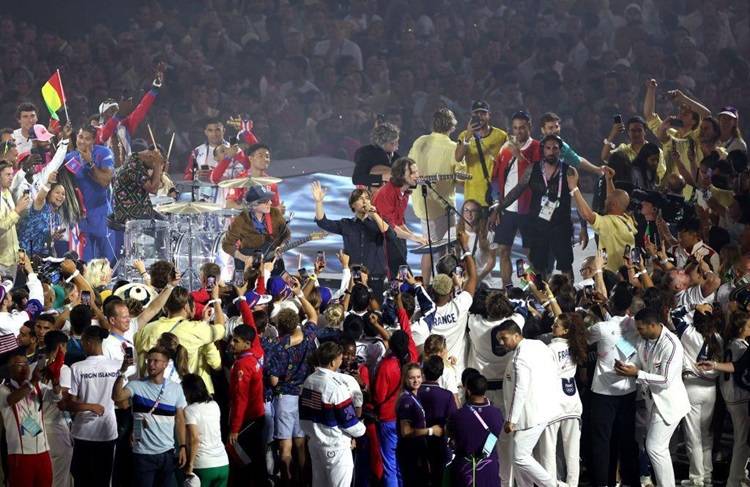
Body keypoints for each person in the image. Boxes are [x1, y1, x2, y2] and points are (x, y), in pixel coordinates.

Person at [615, 307, 691, 487]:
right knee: (657, 449)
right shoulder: (644, 339)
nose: (638, 331)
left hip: (669, 404)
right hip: (652, 402)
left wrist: (637, 373)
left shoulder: (671, 344)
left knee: (655, 448)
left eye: (640, 328)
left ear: (653, 325)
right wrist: (627, 366)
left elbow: (665, 380)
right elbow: (638, 360)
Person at [493, 134, 576, 278]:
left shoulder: (569, 171)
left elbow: (578, 198)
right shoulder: (533, 169)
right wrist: (498, 208)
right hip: (538, 225)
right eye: (548, 148)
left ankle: (570, 293)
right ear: (543, 149)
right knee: (538, 266)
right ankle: (542, 291)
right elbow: (517, 191)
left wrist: (583, 227)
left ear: (560, 150)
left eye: (555, 148)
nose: (551, 151)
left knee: (566, 265)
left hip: (561, 226)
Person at [266, 281, 319, 486]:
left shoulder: (279, 348)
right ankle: (303, 481)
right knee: (301, 444)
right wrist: (300, 294)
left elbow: (273, 380)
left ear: (280, 327)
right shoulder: (309, 337)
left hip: (286, 398)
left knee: (285, 448)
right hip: (305, 396)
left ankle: (287, 482)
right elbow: (313, 315)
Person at [112, 346, 188, 487]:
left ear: (165, 364)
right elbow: (117, 397)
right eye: (149, 360)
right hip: (143, 454)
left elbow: (180, 419)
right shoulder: (136, 385)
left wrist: (183, 446)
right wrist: (122, 372)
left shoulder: (176, 388)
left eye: (156, 361)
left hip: (167, 453)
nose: (151, 364)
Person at [497, 320, 559, 487]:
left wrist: (511, 419)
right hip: (546, 408)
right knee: (519, 458)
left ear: (516, 335)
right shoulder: (538, 345)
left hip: (530, 414)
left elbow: (521, 389)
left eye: (504, 338)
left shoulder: (520, 357)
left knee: (520, 457)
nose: (502, 343)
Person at [134, 286, 225, 395]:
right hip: (189, 395)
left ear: (165, 307)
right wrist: (216, 300)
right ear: (186, 306)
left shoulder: (147, 329)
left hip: (151, 394)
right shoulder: (196, 329)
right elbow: (221, 328)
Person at [300, 341, 365, 487]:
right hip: (336, 448)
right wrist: (361, 429)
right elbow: (349, 422)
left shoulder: (309, 381)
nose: (341, 360)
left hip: (315, 444)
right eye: (340, 358)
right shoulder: (336, 387)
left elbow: (305, 416)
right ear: (332, 362)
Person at [409, 108, 463, 281]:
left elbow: (409, 166)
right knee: (438, 249)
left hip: (421, 202)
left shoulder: (420, 141)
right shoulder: (453, 148)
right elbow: (461, 178)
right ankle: (438, 286)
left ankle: (431, 285)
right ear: (452, 126)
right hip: (441, 206)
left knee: (432, 246)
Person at [489, 110, 541, 287]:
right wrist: (497, 205)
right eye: (515, 128)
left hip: (529, 210)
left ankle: (533, 289)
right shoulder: (505, 149)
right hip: (507, 209)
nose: (518, 131)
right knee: (503, 250)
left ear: (530, 127)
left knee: (530, 253)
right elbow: (495, 179)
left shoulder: (537, 147)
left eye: (522, 128)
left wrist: (519, 155)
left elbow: (536, 174)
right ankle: (507, 289)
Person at [313, 182, 392, 297]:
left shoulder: (378, 222)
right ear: (353, 205)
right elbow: (322, 222)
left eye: (367, 198)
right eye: (360, 199)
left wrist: (374, 214)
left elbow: (389, 234)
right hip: (353, 277)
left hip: (375, 277)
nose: (365, 201)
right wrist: (318, 202)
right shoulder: (346, 224)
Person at [66, 326, 121, 487]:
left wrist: (88, 406)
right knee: (103, 480)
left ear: (89, 342)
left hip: (83, 432)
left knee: (82, 480)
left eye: (82, 341)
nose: (81, 345)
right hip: (107, 432)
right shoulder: (117, 366)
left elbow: (71, 404)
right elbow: (122, 400)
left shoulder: (77, 368)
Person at [537, 313, 588, 487]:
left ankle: (550, 484)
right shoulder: (575, 346)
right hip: (573, 402)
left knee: (548, 450)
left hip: (553, 403)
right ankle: (573, 484)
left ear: (565, 330)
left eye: (556, 325)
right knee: (573, 451)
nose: (552, 327)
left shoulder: (549, 349)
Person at [675, 304, 722, 487]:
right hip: (710, 390)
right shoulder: (718, 337)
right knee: (706, 434)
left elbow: (674, 314)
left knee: (693, 435)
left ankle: (696, 478)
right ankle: (707, 474)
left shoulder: (689, 333)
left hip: (692, 388)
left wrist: (694, 305)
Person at [424, 231, 478, 375]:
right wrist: (465, 246)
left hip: (432, 373)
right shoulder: (460, 306)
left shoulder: (424, 314)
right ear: (450, 290)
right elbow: (473, 276)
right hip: (457, 372)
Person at [0, 353, 56, 487]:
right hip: (20, 454)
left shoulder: (38, 387)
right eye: (19, 365)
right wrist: (33, 382)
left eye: (26, 364)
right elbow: (11, 399)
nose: (25, 368)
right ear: (10, 368)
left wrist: (56, 379)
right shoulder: (3, 389)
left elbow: (57, 397)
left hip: (43, 451)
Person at [568, 165, 637, 273]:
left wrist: (574, 188)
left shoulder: (610, 224)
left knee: (587, 266)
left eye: (607, 200)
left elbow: (587, 215)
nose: (605, 201)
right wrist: (608, 180)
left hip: (612, 276)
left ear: (613, 205)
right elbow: (613, 198)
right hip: (626, 272)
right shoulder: (626, 219)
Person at [64, 126, 116, 262]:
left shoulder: (104, 153)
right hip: (81, 219)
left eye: (87, 139)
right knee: (85, 262)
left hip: (102, 215)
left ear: (93, 140)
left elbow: (105, 182)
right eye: (80, 137)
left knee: (108, 261)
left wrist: (90, 162)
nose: (82, 141)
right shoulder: (69, 158)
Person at [371, 157, 426, 277]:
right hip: (382, 243)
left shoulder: (405, 193)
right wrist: (414, 238)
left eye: (417, 172)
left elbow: (399, 222)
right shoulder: (386, 193)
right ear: (401, 175)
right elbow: (390, 228)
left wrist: (418, 238)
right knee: (398, 278)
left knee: (403, 276)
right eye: (412, 172)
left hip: (395, 240)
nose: (417, 175)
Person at [447, 373, 503, 487]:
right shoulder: (497, 414)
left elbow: (452, 439)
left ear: (468, 391)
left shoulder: (458, 415)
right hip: (489, 468)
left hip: (465, 470)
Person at [226, 324, 266, 485]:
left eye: (236, 341)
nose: (231, 343)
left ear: (247, 344)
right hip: (257, 415)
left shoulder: (242, 364)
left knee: (240, 458)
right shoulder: (254, 355)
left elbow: (241, 398)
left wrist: (235, 428)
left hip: (248, 418)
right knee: (257, 458)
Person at [110, 149, 165, 258]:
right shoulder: (134, 166)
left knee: (163, 220)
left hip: (137, 208)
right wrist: (158, 165)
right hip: (129, 213)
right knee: (162, 226)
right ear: (150, 156)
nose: (152, 169)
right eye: (153, 165)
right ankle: (155, 257)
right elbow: (153, 189)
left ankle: (157, 255)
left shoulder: (136, 159)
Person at [221, 185, 290, 271]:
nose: (270, 203)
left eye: (269, 200)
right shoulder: (241, 220)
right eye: (265, 201)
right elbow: (226, 244)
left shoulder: (275, 213)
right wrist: (244, 258)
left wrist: (281, 247)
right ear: (254, 205)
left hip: (271, 264)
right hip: (249, 269)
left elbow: (286, 235)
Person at [454, 100, 508, 208]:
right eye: (476, 114)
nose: (480, 116)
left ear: (489, 115)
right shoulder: (464, 135)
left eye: (483, 113)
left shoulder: (501, 136)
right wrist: (468, 135)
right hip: (472, 195)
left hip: (494, 193)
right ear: (471, 116)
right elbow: (458, 157)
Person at [395, 363, 439, 486]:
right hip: (410, 452)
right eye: (412, 378)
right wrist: (431, 431)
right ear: (405, 379)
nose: (416, 381)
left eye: (418, 377)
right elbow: (406, 431)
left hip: (419, 450)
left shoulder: (416, 396)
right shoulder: (406, 400)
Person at [181, 374, 229, 487]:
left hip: (203, 465)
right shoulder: (214, 405)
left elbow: (194, 439)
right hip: (223, 463)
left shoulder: (190, 410)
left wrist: (190, 464)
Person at [417, 355, 457, 487]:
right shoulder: (447, 395)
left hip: (416, 441)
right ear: (441, 373)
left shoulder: (415, 393)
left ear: (423, 371)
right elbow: (453, 421)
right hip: (439, 445)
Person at [17, 170, 66, 257]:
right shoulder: (41, 207)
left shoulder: (57, 218)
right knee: (22, 266)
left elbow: (45, 240)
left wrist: (52, 237)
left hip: (39, 256)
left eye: (63, 194)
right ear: (49, 194)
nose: (60, 196)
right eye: (57, 193)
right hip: (22, 254)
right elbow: (40, 198)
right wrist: (48, 183)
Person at [0, 161, 31, 277]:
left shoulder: (7, 192)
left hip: (14, 259)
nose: (11, 177)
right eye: (8, 175)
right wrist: (17, 210)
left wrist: (21, 259)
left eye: (12, 174)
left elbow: (13, 230)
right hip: (2, 262)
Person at [352, 122, 400, 188]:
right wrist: (382, 177)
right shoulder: (367, 154)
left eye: (397, 141)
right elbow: (357, 178)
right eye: (393, 143)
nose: (397, 145)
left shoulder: (396, 157)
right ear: (384, 143)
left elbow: (409, 179)